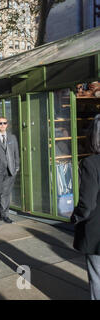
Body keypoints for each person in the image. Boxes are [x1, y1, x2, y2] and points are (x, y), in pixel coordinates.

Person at [71, 114, 100, 300]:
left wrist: (76, 217)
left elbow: (87, 204)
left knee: (97, 279)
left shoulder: (91, 163)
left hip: (96, 231)